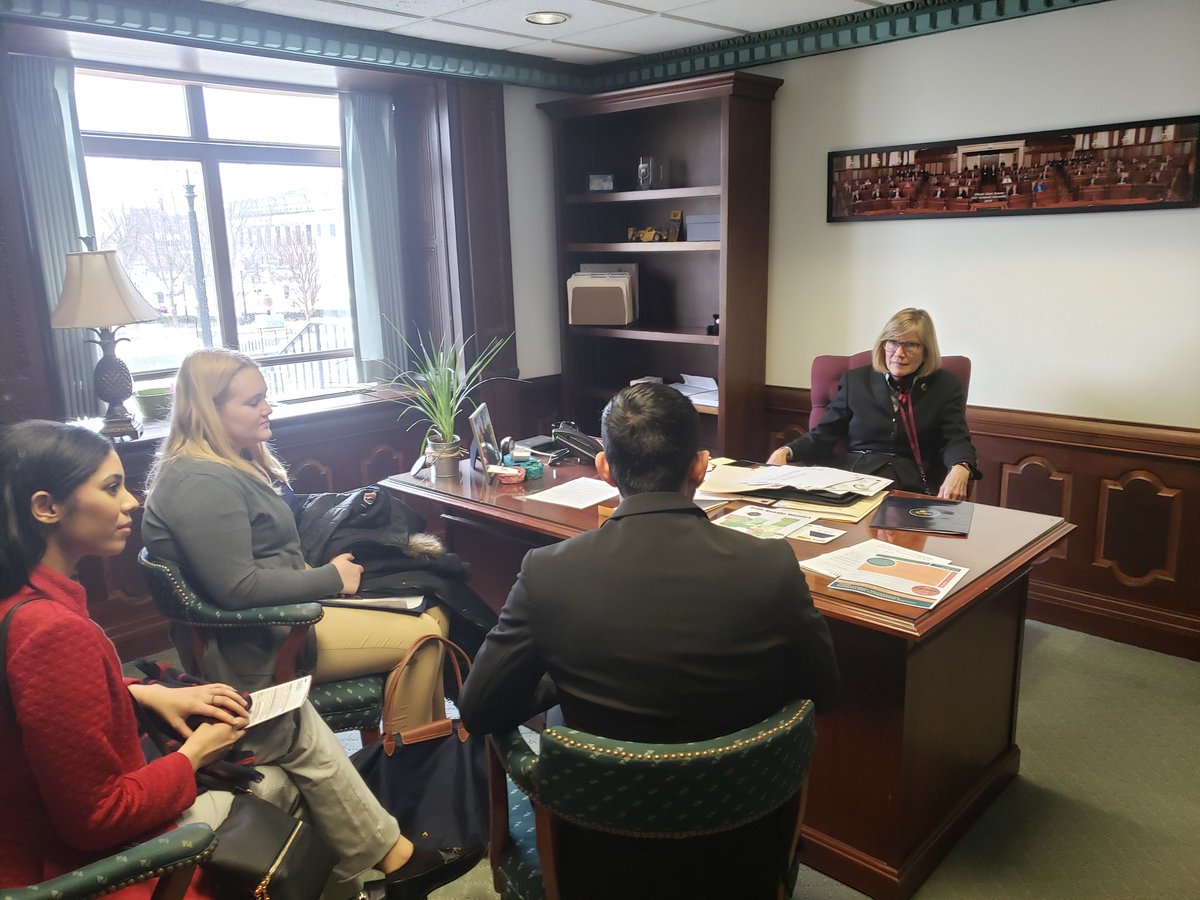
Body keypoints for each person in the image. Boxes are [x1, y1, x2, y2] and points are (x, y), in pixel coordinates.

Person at [0, 421, 481, 899]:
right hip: (86, 865)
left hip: (62, 821)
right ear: (46, 508)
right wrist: (195, 756)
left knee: (290, 725)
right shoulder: (51, 632)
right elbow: (97, 821)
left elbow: (47, 710)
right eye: (111, 488)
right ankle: (388, 863)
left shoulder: (25, 606)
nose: (131, 502)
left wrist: (141, 691)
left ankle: (386, 866)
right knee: (288, 777)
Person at [459, 383, 838, 899]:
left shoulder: (548, 574)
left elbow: (479, 710)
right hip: (742, 850)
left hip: (595, 861)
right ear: (701, 466)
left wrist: (555, 677)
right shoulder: (772, 566)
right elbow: (824, 692)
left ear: (604, 468)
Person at [142, 348, 449, 738]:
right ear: (208, 410)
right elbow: (239, 588)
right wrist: (332, 578)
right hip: (262, 640)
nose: (267, 408)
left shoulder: (224, 465)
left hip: (283, 615)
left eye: (264, 397)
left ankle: (422, 754)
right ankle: (412, 765)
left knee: (436, 615)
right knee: (425, 637)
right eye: (253, 402)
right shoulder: (202, 483)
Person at [767, 307, 979, 500]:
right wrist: (785, 451)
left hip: (907, 484)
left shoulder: (944, 385)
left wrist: (961, 466)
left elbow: (956, 438)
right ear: (882, 345)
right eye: (893, 342)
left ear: (926, 350)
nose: (899, 353)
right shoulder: (856, 381)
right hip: (854, 479)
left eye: (911, 345)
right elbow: (824, 434)